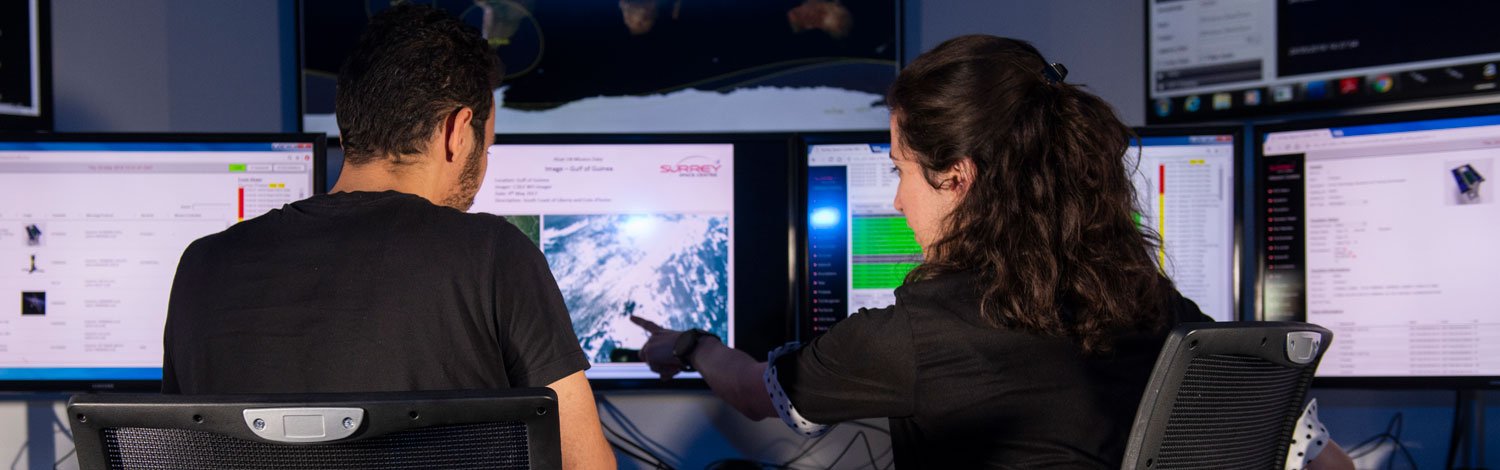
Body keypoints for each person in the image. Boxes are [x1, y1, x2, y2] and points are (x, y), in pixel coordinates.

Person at [635, 35, 1354, 469]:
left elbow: (757, 393)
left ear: (958, 178)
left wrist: (692, 344)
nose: (895, 200)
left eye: (899, 168)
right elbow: (1322, 461)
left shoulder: (912, 337)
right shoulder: (1159, 304)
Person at [161, 5, 614, 469]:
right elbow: (585, 464)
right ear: (457, 132)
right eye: (487, 145)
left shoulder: (202, 264)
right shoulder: (494, 255)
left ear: (347, 128)